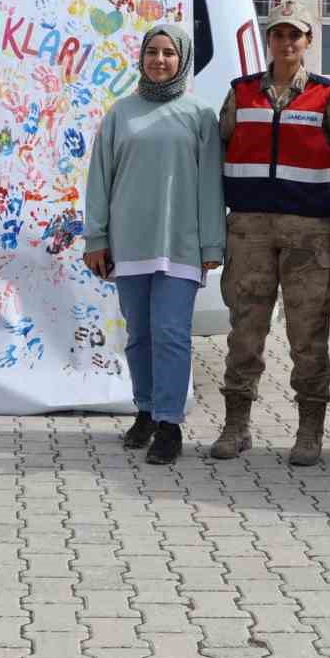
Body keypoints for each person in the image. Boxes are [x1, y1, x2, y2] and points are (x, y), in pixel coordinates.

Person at [212, 1, 330, 465]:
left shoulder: (329, 97)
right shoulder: (241, 94)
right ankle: (236, 424)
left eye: (295, 35)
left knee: (308, 335)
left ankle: (309, 429)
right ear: (267, 40)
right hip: (249, 231)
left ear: (308, 41)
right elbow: (216, 152)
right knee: (244, 332)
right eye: (278, 34)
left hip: (310, 236)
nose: (286, 43)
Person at [83, 25, 224, 465]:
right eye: (152, 52)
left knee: (172, 334)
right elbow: (99, 179)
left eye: (168, 53)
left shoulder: (200, 115)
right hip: (129, 242)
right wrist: (97, 237)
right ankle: (144, 410)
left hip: (180, 243)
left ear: (182, 59)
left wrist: (210, 244)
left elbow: (209, 185)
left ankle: (169, 423)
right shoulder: (120, 113)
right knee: (139, 335)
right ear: (141, 57)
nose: (159, 60)